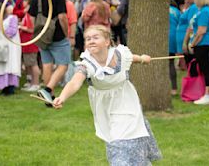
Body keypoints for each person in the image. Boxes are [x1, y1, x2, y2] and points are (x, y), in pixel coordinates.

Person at [53, 25, 161, 165]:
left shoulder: (120, 54)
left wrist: (142, 58)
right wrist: (62, 97)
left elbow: (132, 58)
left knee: (127, 138)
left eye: (95, 37)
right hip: (105, 108)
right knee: (117, 138)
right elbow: (75, 82)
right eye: (88, 39)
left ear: (107, 42)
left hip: (126, 101)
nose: (91, 41)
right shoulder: (86, 64)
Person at [28, 0, 70, 105]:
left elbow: (31, 16)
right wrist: (66, 32)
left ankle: (48, 96)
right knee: (63, 65)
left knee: (47, 65)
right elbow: (62, 17)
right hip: (57, 35)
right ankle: (48, 89)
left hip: (42, 35)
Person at [187, 0, 209, 105]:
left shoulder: (205, 11)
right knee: (203, 67)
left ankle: (208, 95)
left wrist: (193, 44)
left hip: (203, 43)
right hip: (201, 43)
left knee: (205, 67)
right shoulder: (202, 10)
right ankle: (204, 92)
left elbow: (201, 31)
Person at [0, 5, 21, 96]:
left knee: (11, 66)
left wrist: (0, 30)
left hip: (11, 47)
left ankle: (10, 88)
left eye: (0, 13)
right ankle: (3, 87)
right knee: (0, 66)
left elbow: (12, 31)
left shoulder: (12, 18)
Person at [19, 0, 41, 92]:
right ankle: (31, 83)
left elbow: (31, 29)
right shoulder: (26, 13)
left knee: (33, 63)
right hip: (26, 42)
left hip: (30, 41)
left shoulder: (30, 14)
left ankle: (36, 84)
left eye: (24, 0)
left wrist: (19, 26)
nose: (22, 2)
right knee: (29, 63)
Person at [169, 2, 180, 96]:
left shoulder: (162, 10)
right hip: (174, 37)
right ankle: (174, 87)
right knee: (171, 63)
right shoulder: (177, 11)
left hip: (165, 37)